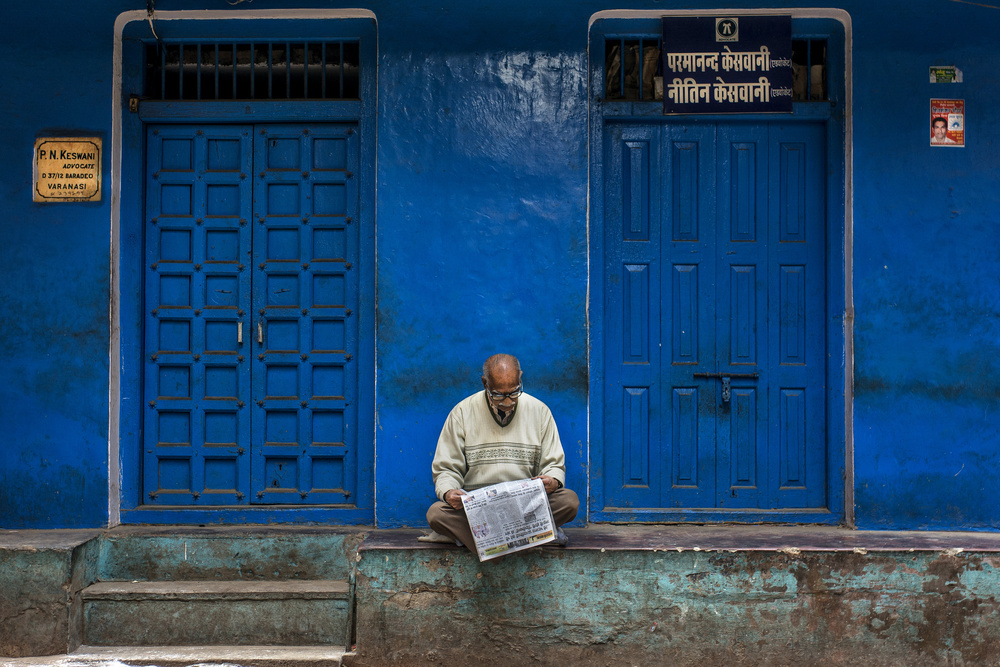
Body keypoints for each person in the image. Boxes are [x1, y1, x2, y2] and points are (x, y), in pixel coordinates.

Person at [422, 353, 579, 551]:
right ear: (484, 383)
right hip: (479, 509)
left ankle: (484, 543)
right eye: (498, 394)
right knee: (436, 514)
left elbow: (554, 465)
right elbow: (446, 468)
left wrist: (552, 481)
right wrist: (449, 492)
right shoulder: (462, 413)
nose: (507, 402)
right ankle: (532, 538)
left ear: (520, 378)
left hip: (525, 507)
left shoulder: (540, 411)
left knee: (569, 501)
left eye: (513, 392)